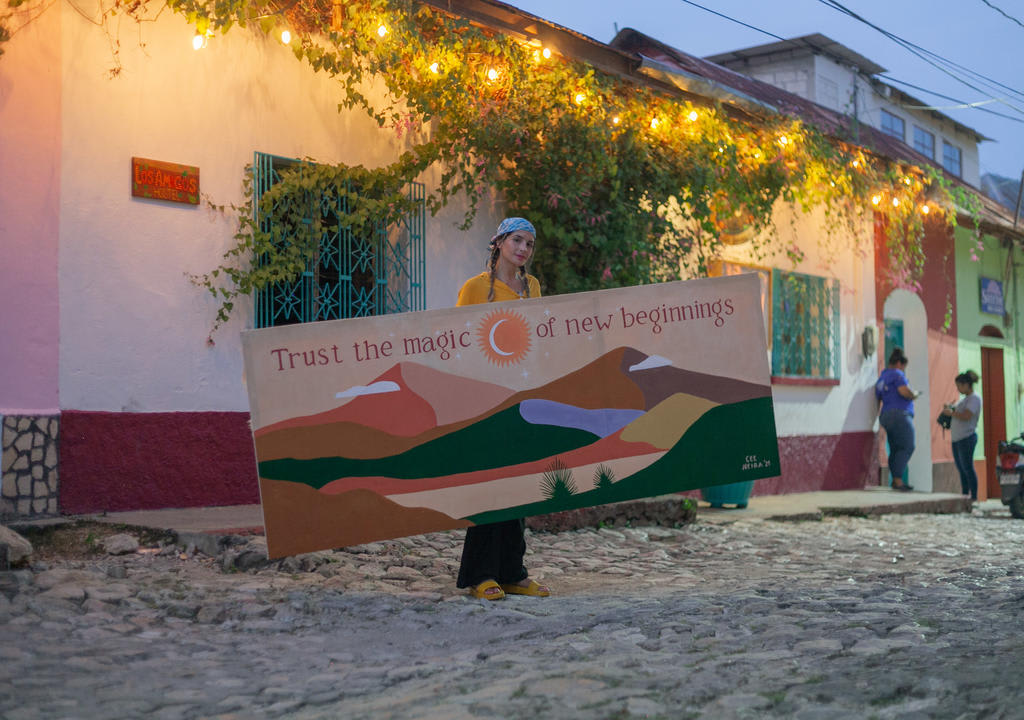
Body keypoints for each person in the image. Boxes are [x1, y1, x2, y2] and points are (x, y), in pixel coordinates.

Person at [454, 217, 551, 601]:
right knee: (489, 485)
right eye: (517, 240)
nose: (523, 249)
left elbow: (541, 336)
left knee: (518, 486)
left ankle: (513, 572)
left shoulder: (534, 289)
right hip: (484, 398)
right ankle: (481, 574)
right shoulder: (474, 288)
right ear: (498, 243)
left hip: (523, 397)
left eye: (529, 243)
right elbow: (460, 340)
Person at [875, 347, 922, 492]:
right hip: (900, 415)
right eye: (903, 367)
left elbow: (879, 397)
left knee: (895, 448)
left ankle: (896, 479)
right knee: (908, 445)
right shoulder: (898, 375)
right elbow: (904, 391)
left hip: (886, 415)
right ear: (899, 363)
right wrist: (914, 394)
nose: (903, 369)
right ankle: (898, 480)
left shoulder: (882, 378)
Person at [941, 370, 981, 501]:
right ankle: (964, 495)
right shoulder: (964, 400)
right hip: (957, 438)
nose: (958, 389)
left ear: (966, 385)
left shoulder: (975, 399)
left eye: (959, 386)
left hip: (967, 437)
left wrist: (951, 413)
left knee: (967, 467)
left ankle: (973, 496)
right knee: (961, 468)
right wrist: (951, 408)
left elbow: (967, 416)